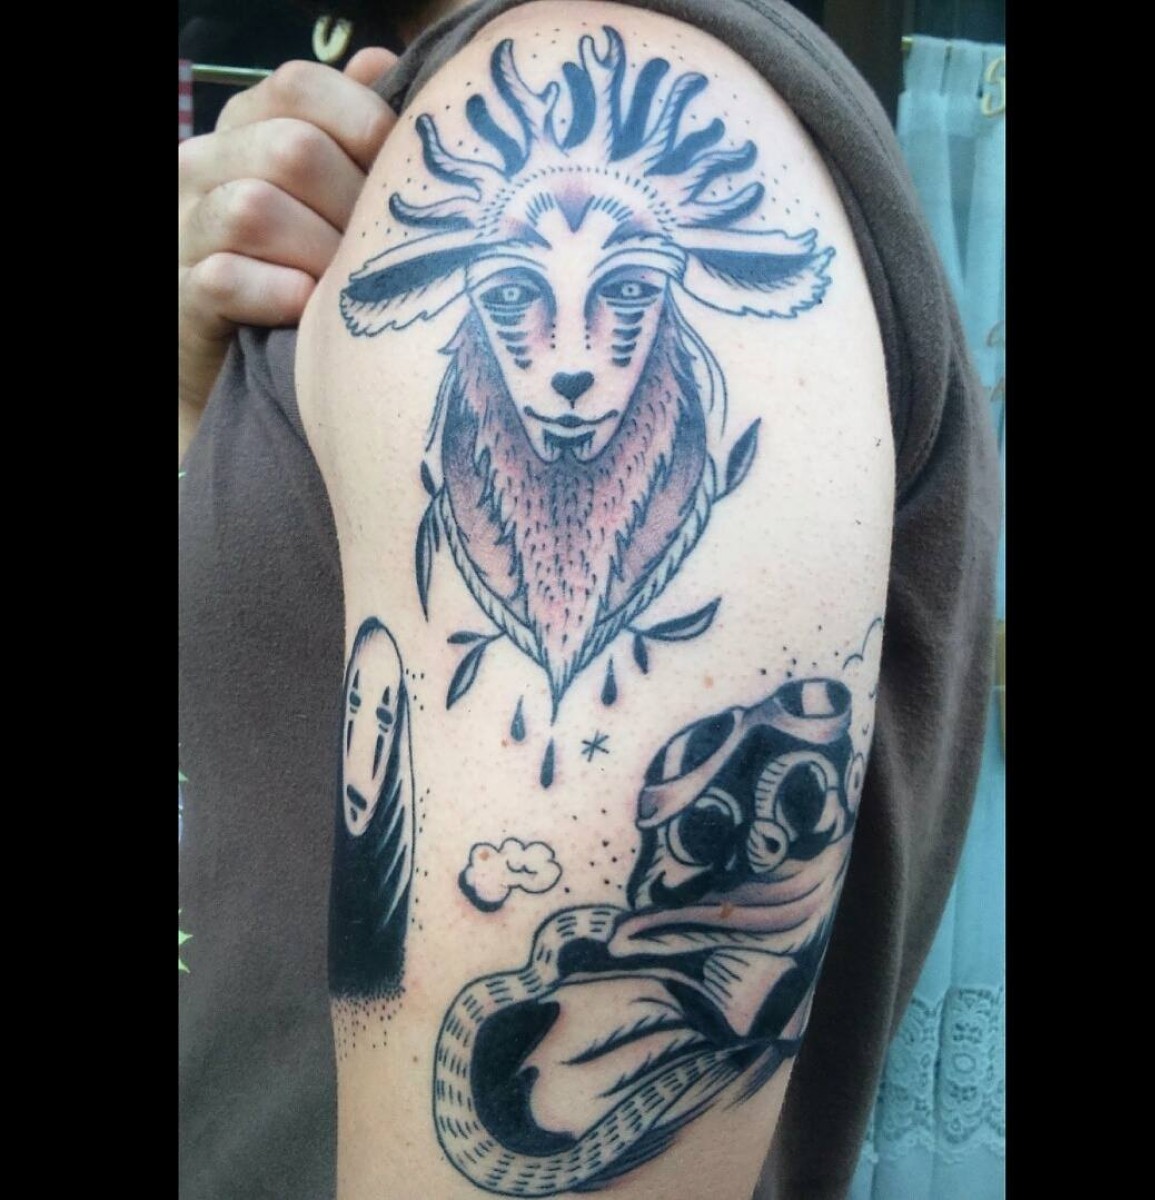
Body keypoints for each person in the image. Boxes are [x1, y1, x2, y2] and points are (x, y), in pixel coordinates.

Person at [178, 2, 999, 1198]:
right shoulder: (407, 140)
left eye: (622, 297)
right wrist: (200, 410)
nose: (569, 358)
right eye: (518, 300)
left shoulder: (600, 100)